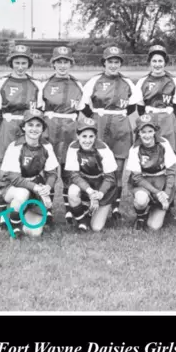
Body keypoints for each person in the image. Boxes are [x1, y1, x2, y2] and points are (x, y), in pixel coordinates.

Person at [77, 45, 143, 223]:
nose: (113, 65)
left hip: (120, 125)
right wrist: (98, 117)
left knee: (118, 168)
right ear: (104, 62)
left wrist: (116, 117)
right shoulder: (94, 81)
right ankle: (92, 201)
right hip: (99, 123)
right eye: (110, 61)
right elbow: (84, 105)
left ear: (120, 63)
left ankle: (115, 207)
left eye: (116, 61)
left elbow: (132, 107)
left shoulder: (128, 82)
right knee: (96, 164)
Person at [38, 46, 84, 226]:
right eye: (59, 62)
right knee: (48, 169)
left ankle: (69, 211)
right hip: (50, 128)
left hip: (69, 130)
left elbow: (82, 110)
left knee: (68, 170)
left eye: (66, 62)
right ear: (53, 64)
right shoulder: (44, 84)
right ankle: (47, 210)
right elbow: (39, 110)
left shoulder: (78, 84)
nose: (62, 65)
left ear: (71, 64)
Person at [0, 109, 59, 238]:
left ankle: (22, 214)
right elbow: (14, 178)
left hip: (34, 183)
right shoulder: (15, 146)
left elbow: (52, 172)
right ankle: (14, 226)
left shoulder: (47, 146)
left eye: (38, 125)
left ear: (43, 128)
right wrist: (36, 188)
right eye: (30, 125)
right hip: (12, 187)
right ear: (23, 127)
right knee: (22, 193)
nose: (34, 129)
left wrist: (47, 187)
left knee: (35, 233)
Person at [0, 44, 42, 165]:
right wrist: (6, 124)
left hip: (29, 128)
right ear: (11, 63)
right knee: (7, 164)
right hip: (8, 127)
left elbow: (39, 110)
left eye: (24, 63)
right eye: (17, 63)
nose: (20, 67)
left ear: (29, 64)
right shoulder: (1, 83)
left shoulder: (36, 84)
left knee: (28, 164)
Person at [64, 117, 119, 232]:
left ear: (95, 136)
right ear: (78, 136)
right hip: (86, 185)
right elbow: (74, 175)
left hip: (101, 187)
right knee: (72, 191)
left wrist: (100, 194)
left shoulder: (103, 149)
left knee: (96, 227)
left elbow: (110, 177)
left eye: (91, 136)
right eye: (84, 136)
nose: (87, 140)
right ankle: (82, 221)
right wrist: (90, 192)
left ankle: (91, 209)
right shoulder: (73, 147)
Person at [125, 114, 176, 231]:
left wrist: (166, 193)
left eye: (150, 131)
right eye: (143, 132)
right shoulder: (135, 149)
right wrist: (157, 193)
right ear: (138, 133)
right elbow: (137, 178)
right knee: (141, 200)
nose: (147, 135)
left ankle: (163, 209)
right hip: (143, 182)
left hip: (161, 181)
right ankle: (140, 217)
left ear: (155, 131)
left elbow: (171, 171)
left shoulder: (164, 144)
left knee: (154, 226)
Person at [135, 44, 176, 154]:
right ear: (150, 62)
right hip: (149, 119)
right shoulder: (143, 81)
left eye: (160, 61)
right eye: (154, 61)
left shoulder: (173, 80)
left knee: (168, 153)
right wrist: (147, 121)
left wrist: (169, 119)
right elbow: (140, 108)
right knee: (150, 151)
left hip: (167, 117)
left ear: (165, 62)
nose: (157, 64)